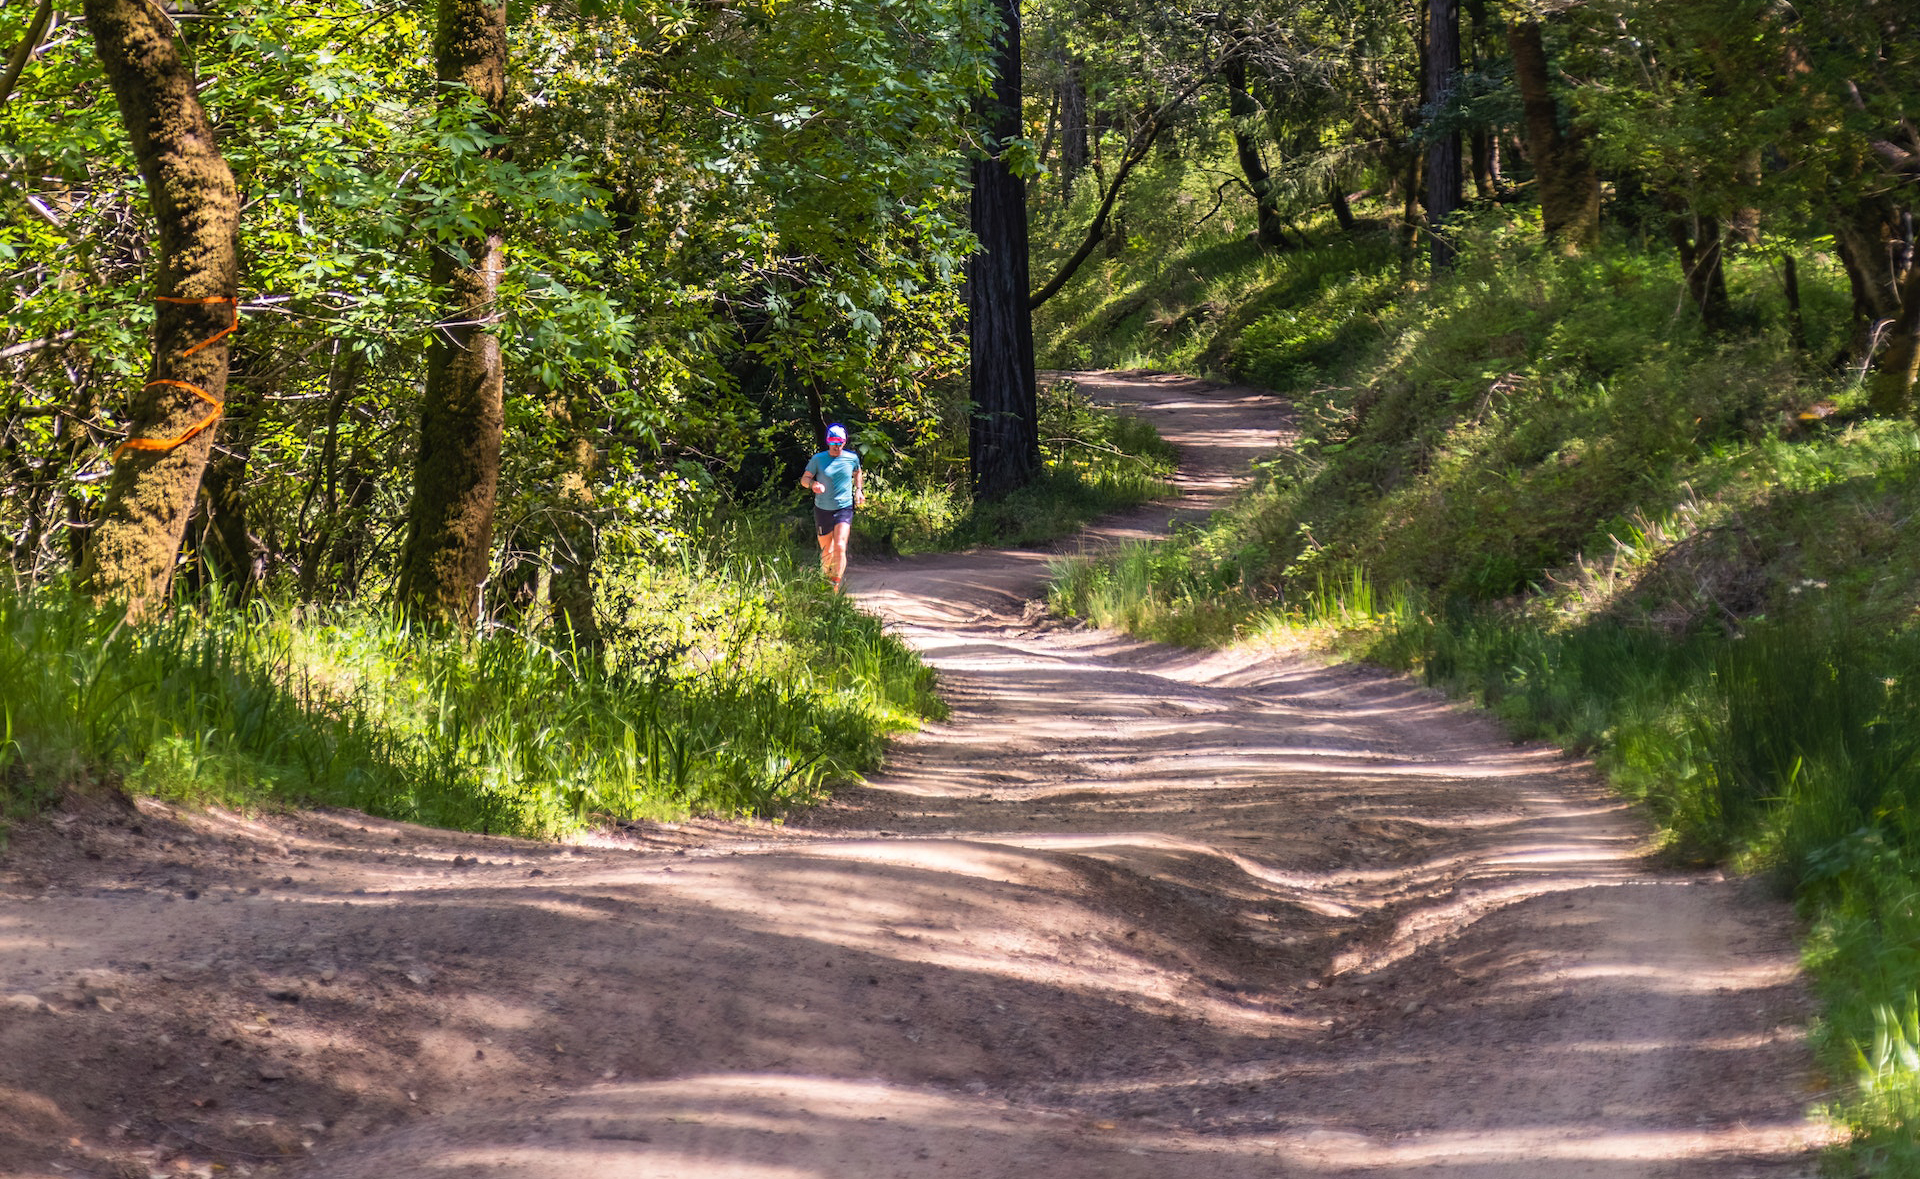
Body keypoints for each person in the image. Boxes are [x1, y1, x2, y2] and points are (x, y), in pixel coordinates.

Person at [800, 422, 864, 591]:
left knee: (840, 546)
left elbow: (858, 472)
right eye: (833, 443)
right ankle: (825, 581)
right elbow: (804, 479)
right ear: (828, 442)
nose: (836, 447)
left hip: (844, 508)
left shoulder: (851, 458)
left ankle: (834, 585)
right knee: (827, 550)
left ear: (844, 442)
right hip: (823, 509)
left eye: (839, 443)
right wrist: (813, 484)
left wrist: (859, 490)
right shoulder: (818, 459)